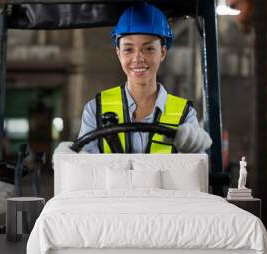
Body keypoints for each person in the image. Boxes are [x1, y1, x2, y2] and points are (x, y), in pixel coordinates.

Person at [78, 2, 212, 154]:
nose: (138, 58)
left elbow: (194, 171)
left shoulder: (184, 115)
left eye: (148, 48)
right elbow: (85, 169)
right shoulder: (96, 110)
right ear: (118, 53)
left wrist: (194, 149)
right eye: (128, 49)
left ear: (162, 52)